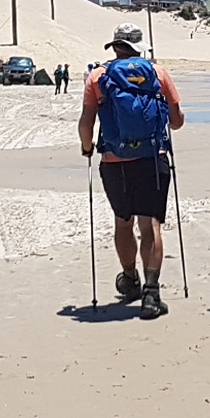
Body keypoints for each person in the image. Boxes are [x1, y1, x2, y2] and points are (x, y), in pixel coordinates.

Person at [78, 24, 185, 318]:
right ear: (141, 47)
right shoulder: (158, 73)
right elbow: (176, 122)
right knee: (150, 225)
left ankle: (130, 279)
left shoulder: (98, 77)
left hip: (114, 161)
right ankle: (151, 294)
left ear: (114, 46)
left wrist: (87, 148)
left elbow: (86, 123)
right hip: (152, 158)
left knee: (123, 222)